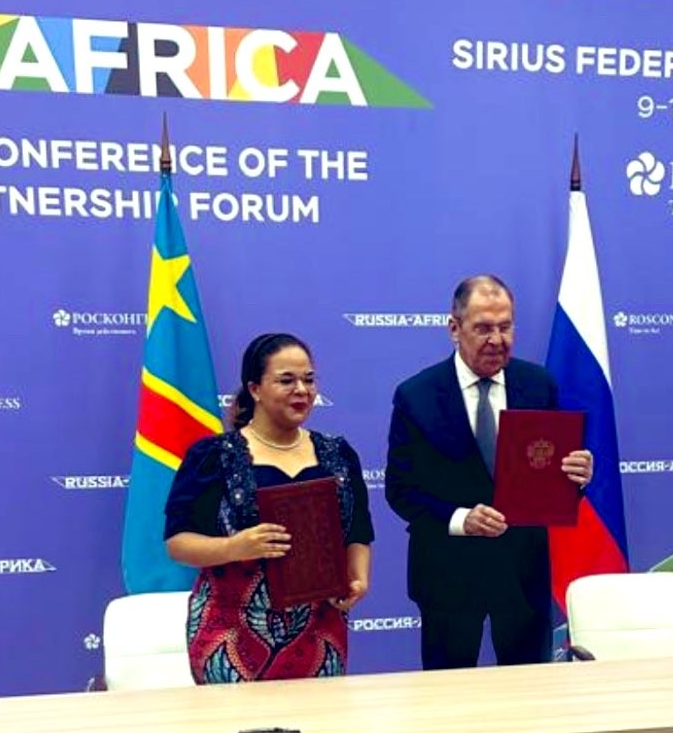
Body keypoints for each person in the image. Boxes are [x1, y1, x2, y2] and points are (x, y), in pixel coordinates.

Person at [385, 275, 593, 671]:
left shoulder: (538, 385)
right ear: (454, 328)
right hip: (448, 573)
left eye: (505, 326)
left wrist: (577, 478)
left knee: (531, 692)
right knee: (448, 693)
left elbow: (551, 482)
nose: (497, 340)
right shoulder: (416, 394)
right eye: (483, 328)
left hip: (522, 572)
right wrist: (462, 519)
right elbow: (400, 489)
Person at [165, 332, 373, 683]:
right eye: (286, 380)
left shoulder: (338, 454)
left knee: (322, 718)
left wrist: (358, 579)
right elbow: (177, 543)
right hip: (231, 627)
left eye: (309, 380)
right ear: (255, 389)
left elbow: (357, 532)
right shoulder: (214, 456)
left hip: (320, 627)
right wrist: (234, 547)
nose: (302, 390)